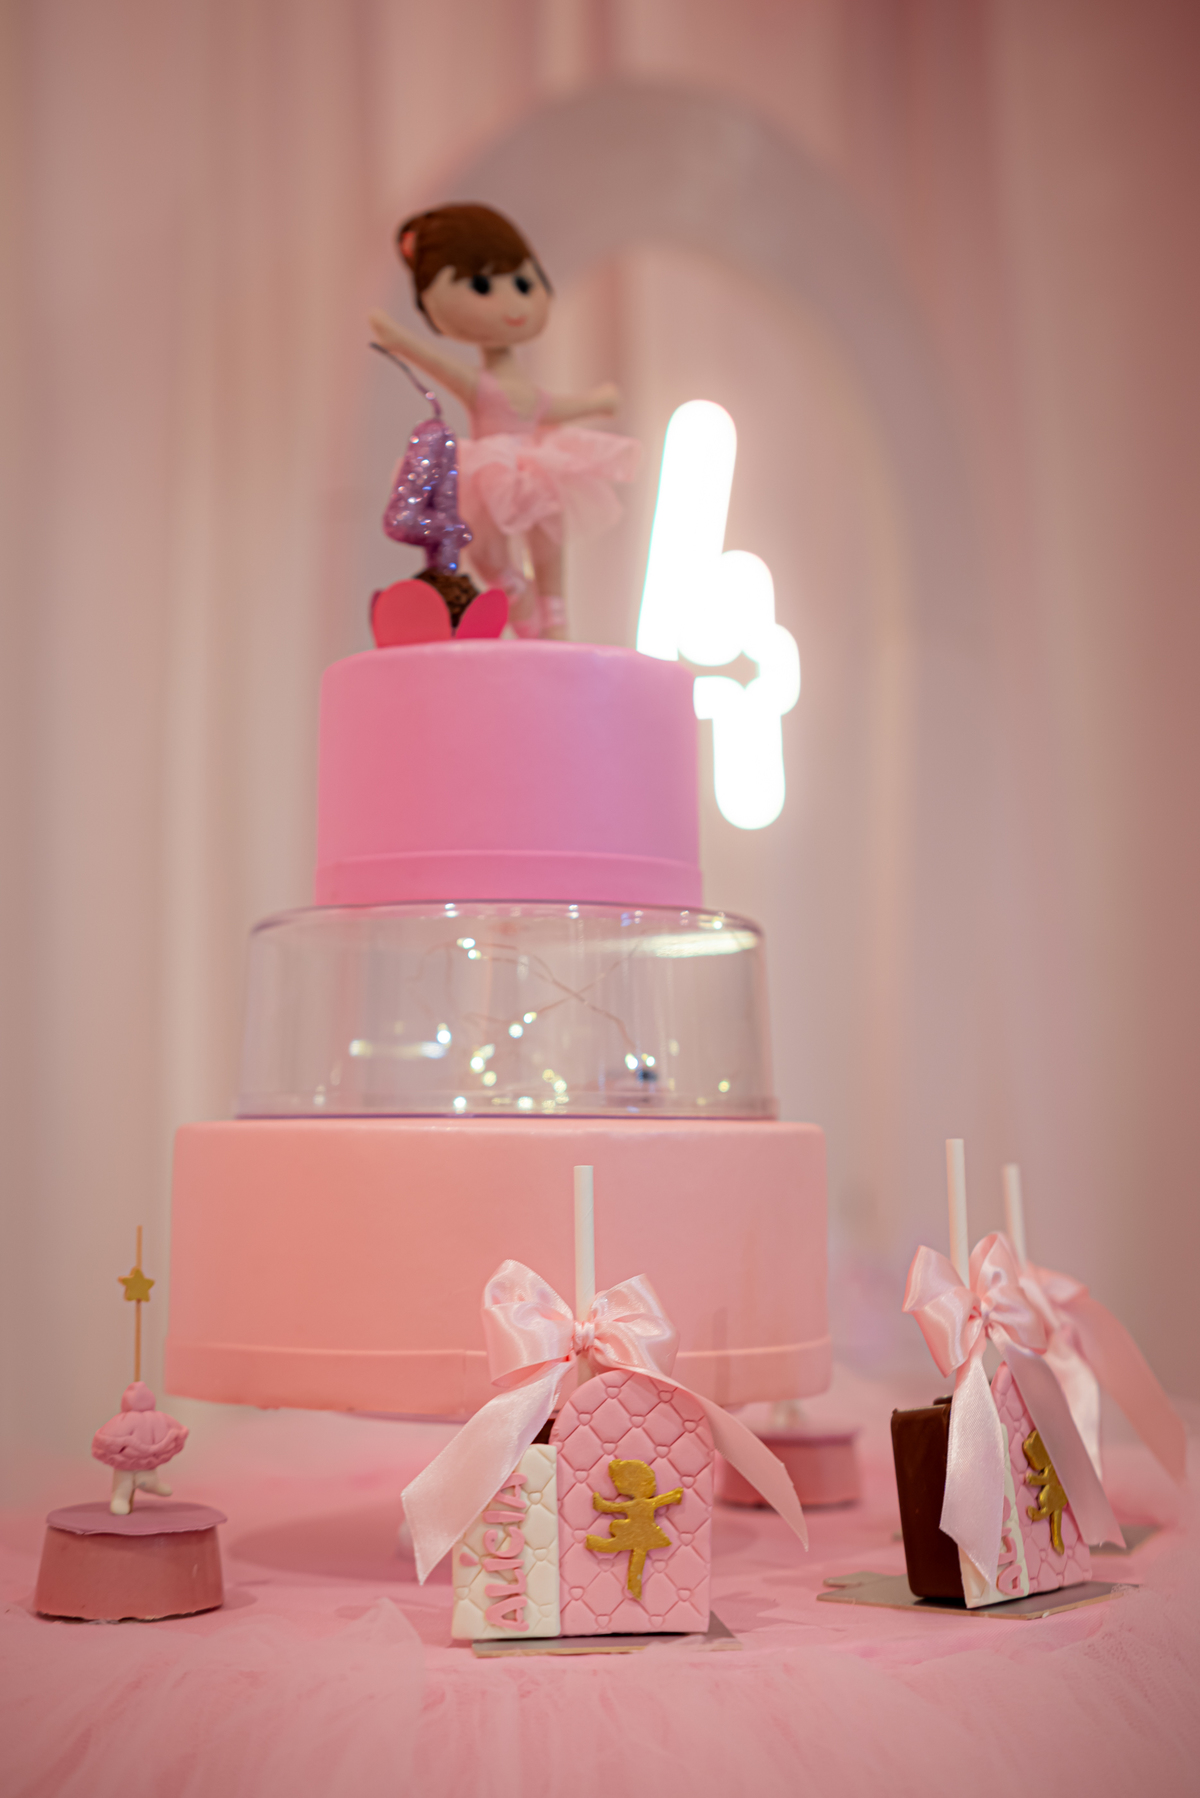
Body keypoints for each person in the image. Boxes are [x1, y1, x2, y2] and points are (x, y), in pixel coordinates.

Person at [370, 203, 639, 640]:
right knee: (486, 550)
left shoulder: (513, 388)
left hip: (539, 464)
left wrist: (596, 402)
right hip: (491, 470)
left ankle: (555, 617)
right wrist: (400, 341)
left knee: (548, 541)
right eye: (481, 286)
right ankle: (518, 595)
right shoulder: (479, 385)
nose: (512, 304)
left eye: (522, 284)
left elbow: (550, 408)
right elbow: (439, 364)